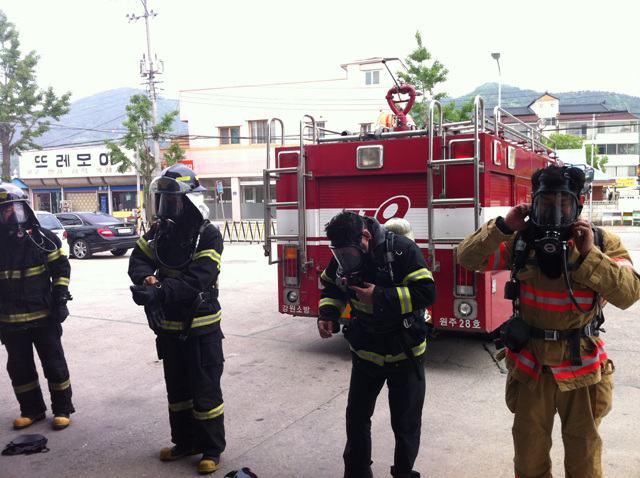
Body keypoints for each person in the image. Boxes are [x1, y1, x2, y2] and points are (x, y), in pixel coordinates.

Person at [457, 164, 640, 478]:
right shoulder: (519, 242)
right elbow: (467, 258)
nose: (554, 210)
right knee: (529, 458)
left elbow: (630, 293)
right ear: (534, 202)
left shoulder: (601, 241)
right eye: (546, 202)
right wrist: (503, 226)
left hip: (582, 369)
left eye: (563, 203)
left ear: (578, 203)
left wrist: (589, 254)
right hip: (532, 368)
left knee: (584, 459)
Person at [317, 211, 437, 478]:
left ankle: (403, 473)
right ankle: (357, 472)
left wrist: (380, 297)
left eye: (349, 253)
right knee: (356, 419)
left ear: (366, 237)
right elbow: (331, 287)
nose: (345, 260)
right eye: (340, 254)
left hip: (405, 353)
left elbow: (427, 293)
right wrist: (327, 314)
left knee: (405, 425)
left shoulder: (403, 251)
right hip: (365, 353)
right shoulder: (342, 253)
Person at [128, 164, 225, 475]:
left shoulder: (208, 235)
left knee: (205, 391)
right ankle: (185, 442)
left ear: (190, 200)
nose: (168, 206)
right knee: (178, 391)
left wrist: (160, 292)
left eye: (174, 200)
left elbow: (199, 279)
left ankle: (211, 449)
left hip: (200, 327)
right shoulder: (160, 231)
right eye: (164, 200)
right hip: (168, 327)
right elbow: (138, 258)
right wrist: (146, 279)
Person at [0, 183, 74, 431]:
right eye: (6, 209)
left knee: (54, 363)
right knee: (19, 368)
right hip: (10, 321)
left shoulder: (43, 239)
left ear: (25, 209)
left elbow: (61, 270)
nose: (13, 213)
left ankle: (62, 409)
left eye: (16, 208)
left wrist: (60, 300)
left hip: (44, 315)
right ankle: (32, 410)